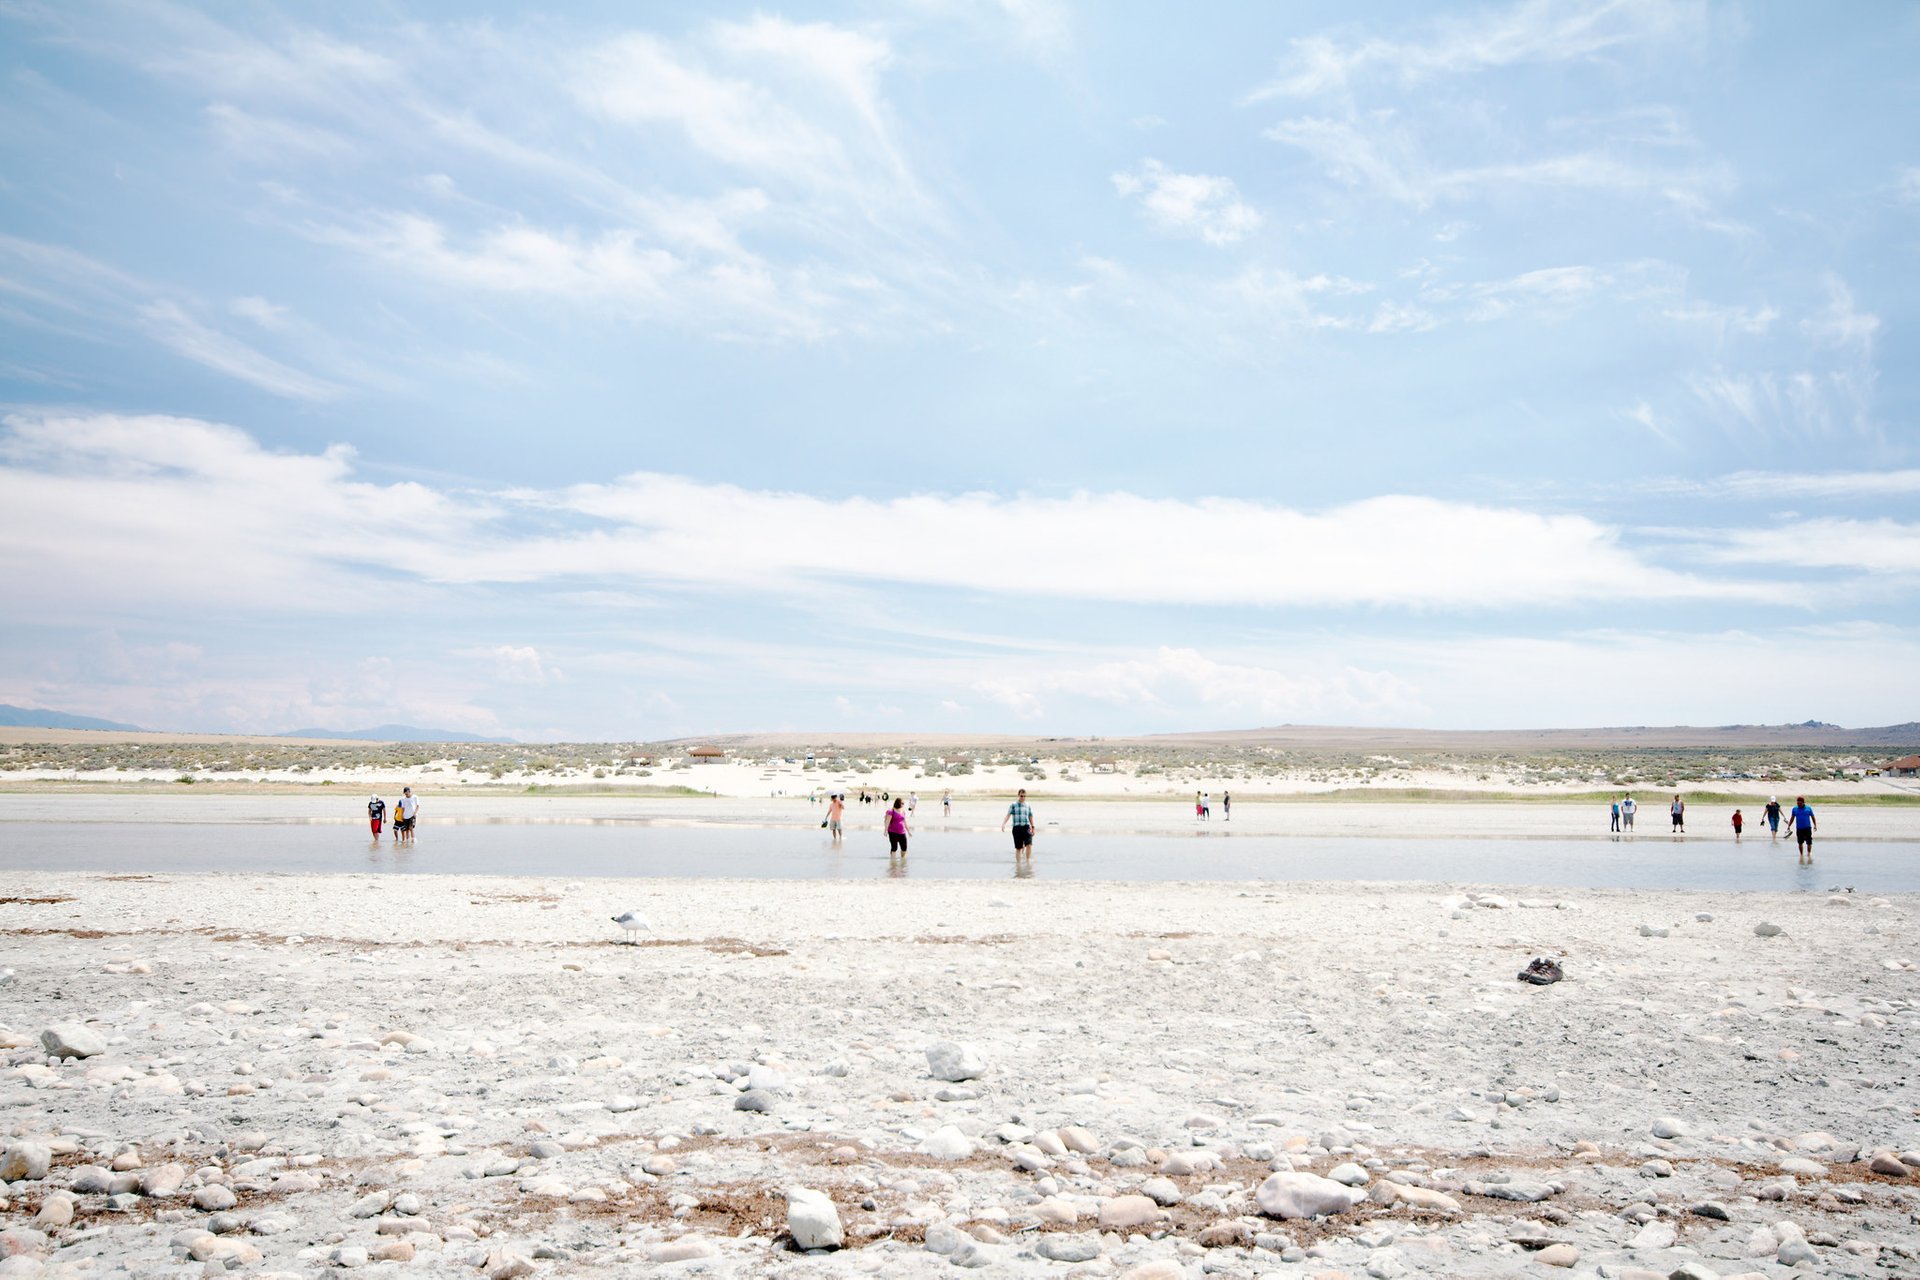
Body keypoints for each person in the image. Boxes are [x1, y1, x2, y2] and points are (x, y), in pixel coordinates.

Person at [1003, 788, 1034, 858]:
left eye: (1024, 796)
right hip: (1017, 828)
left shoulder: (1028, 805)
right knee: (1018, 848)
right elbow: (1008, 815)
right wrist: (1003, 824)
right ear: (1018, 795)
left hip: (1026, 827)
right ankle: (1018, 865)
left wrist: (1033, 827)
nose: (1023, 797)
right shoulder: (1013, 805)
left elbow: (1030, 816)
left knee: (1029, 845)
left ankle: (1028, 862)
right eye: (1021, 796)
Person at [1788, 796, 1816, 862]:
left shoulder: (1808, 808)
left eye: (1800, 803)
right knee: (1800, 843)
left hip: (1807, 828)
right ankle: (1801, 855)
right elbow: (1792, 818)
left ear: (1803, 803)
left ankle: (1808, 853)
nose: (1799, 805)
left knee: (1809, 842)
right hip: (1799, 828)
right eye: (1798, 803)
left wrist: (1815, 825)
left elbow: (1812, 817)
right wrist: (1789, 825)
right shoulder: (1794, 809)